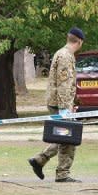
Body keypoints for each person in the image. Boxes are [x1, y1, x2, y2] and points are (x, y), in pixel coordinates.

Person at [28, 27, 85, 183]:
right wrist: (65, 107)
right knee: (69, 139)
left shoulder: (63, 53)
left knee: (63, 137)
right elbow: (64, 84)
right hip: (60, 103)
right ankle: (62, 174)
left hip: (58, 101)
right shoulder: (66, 56)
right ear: (79, 41)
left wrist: (75, 100)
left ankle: (39, 160)